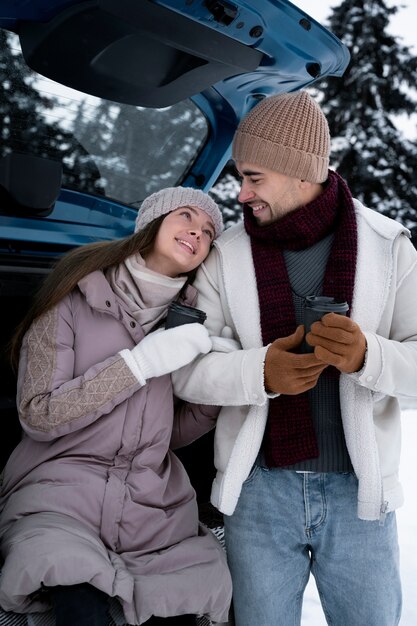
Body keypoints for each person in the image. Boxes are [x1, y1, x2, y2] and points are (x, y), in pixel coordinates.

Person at [172, 91, 417, 626]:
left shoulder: (388, 245)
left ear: (298, 171)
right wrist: (261, 371)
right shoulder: (224, 256)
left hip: (360, 496)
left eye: (254, 176)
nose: (242, 193)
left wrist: (367, 356)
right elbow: (190, 371)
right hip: (258, 493)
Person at [0, 186, 232, 626]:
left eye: (207, 231)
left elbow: (166, 435)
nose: (197, 232)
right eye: (186, 216)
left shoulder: (190, 322)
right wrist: (140, 363)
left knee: (189, 595)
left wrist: (214, 387)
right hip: (58, 494)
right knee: (71, 587)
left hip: (152, 504)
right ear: (152, 222)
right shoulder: (72, 299)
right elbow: (38, 413)